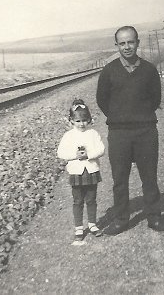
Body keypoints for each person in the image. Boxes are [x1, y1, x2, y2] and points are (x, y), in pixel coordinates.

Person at [96, 25, 164, 235]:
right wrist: (120, 118)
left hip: (145, 132)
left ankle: (154, 217)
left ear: (138, 43)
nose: (127, 47)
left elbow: (155, 99)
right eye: (122, 43)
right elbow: (102, 100)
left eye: (131, 42)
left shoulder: (149, 70)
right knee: (120, 179)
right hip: (119, 134)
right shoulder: (109, 71)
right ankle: (121, 220)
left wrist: (140, 117)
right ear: (117, 45)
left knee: (149, 176)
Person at [57, 99, 105, 242]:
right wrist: (75, 156)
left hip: (91, 171)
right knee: (78, 200)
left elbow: (101, 149)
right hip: (76, 172)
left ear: (89, 120)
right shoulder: (68, 136)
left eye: (85, 120)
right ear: (71, 121)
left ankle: (92, 224)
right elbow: (60, 153)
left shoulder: (93, 133)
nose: (82, 124)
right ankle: (78, 227)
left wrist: (89, 155)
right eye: (77, 121)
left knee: (91, 199)